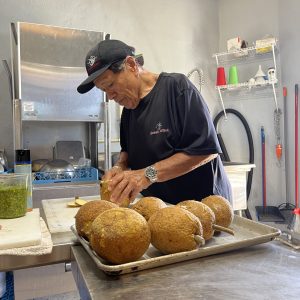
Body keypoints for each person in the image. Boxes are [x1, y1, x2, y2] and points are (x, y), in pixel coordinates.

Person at [77, 39, 232, 205]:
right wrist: (119, 167)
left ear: (131, 65)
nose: (110, 96)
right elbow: (127, 152)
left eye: (110, 85)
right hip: (160, 211)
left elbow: (205, 151)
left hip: (202, 208)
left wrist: (147, 174)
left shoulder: (177, 89)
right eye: (104, 90)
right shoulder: (129, 109)